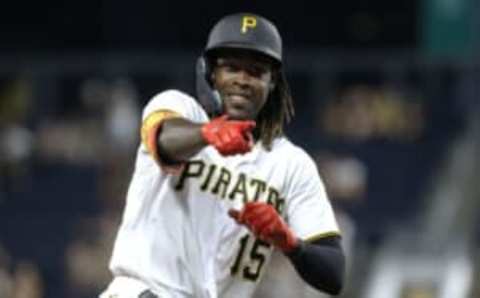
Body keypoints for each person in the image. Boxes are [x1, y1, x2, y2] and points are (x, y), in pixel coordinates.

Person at [100, 13, 345, 298]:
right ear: (211, 73)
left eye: (255, 71)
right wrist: (207, 133)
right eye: (231, 68)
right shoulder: (178, 109)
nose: (242, 80)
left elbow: (333, 273)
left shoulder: (291, 165)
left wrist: (290, 243)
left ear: (272, 81)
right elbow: (163, 139)